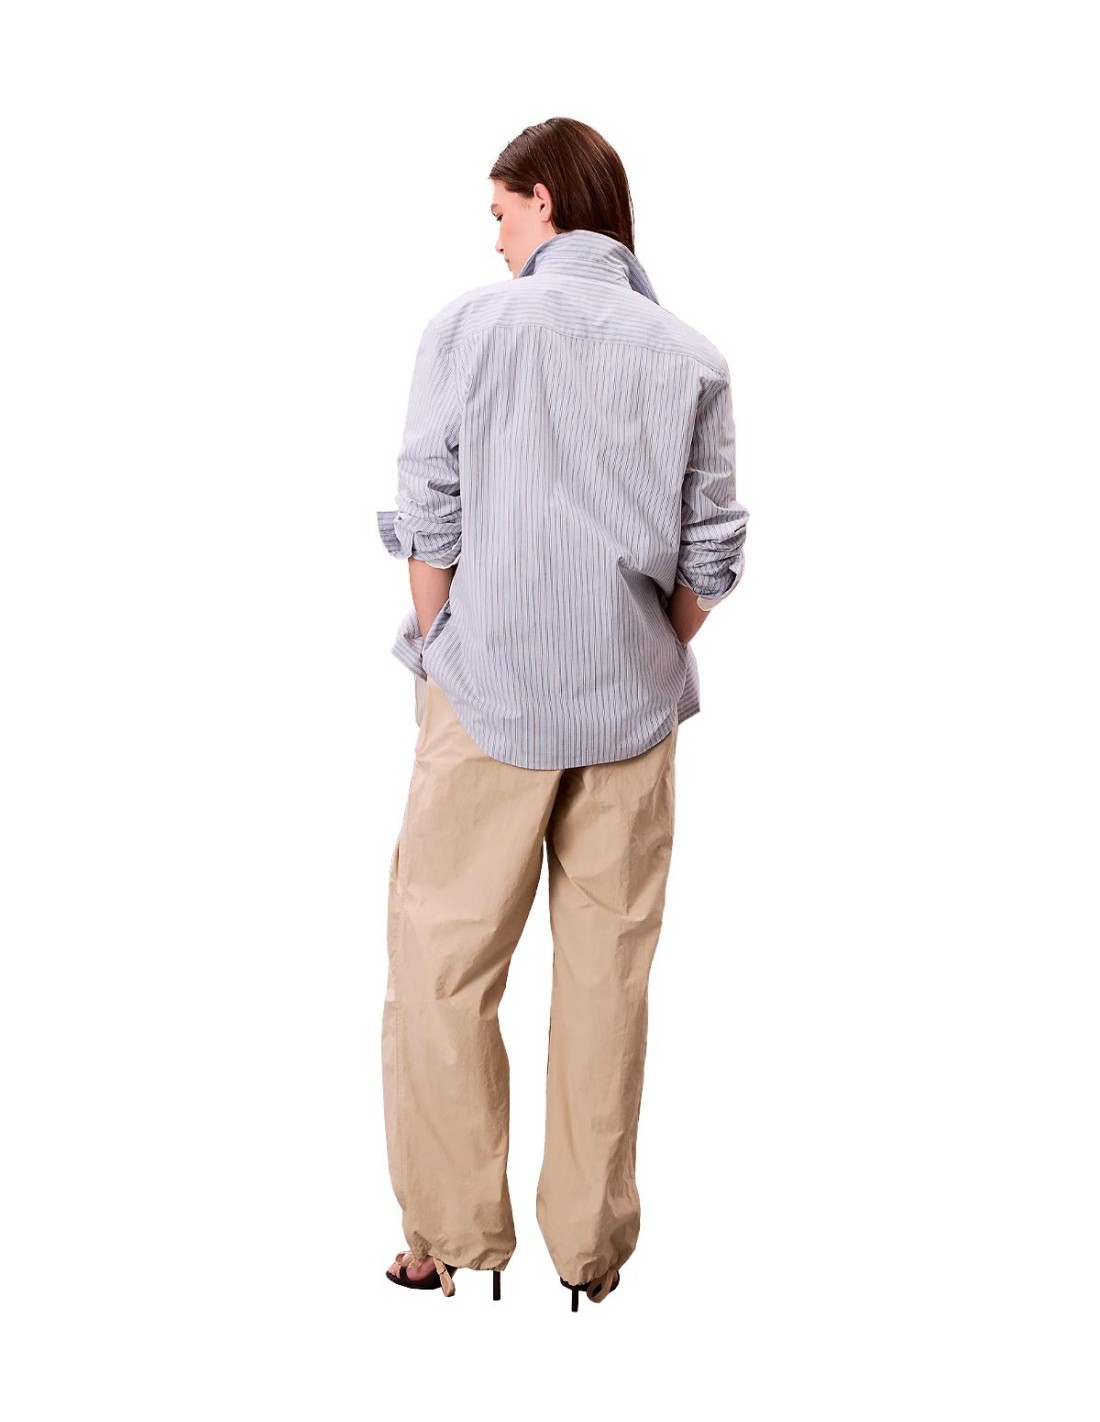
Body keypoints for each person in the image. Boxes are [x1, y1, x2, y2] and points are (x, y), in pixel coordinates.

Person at [377, 117, 749, 1310]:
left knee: (442, 966)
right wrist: (644, 645)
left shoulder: (469, 327)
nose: (494, 241)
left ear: (543, 199)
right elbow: (710, 550)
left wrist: (439, 643)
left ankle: (446, 1239)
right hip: (629, 712)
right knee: (606, 982)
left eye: (499, 213)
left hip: (483, 695)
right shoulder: (689, 355)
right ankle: (588, 1257)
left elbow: (429, 506)